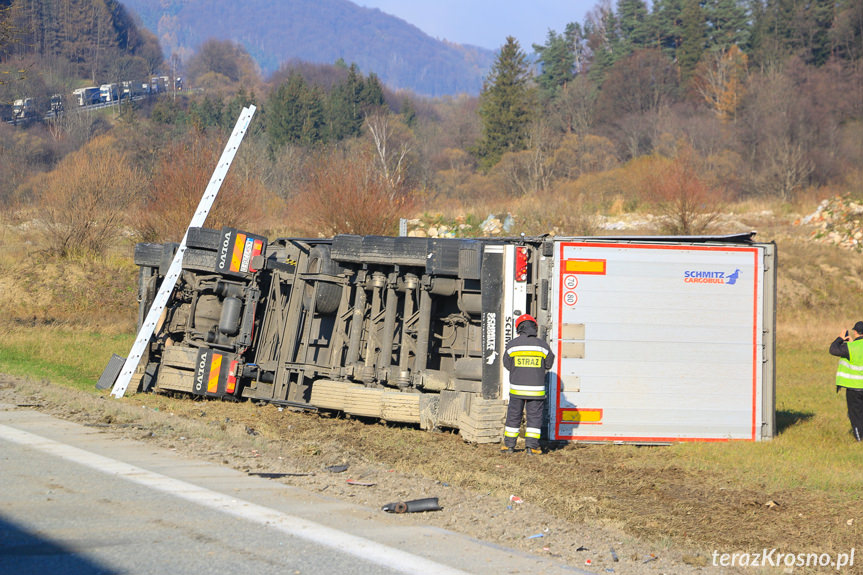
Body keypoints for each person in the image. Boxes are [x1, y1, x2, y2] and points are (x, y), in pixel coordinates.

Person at [501, 314, 555, 455]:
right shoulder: (542, 345)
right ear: (534, 327)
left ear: (519, 328)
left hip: (517, 389)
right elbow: (549, 364)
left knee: (513, 415)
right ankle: (532, 447)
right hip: (536, 390)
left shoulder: (512, 344)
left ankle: (509, 446)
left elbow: (507, 364)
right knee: (534, 418)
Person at [829, 321, 863, 442]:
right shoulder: (853, 346)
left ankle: (860, 440)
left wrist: (840, 338)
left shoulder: (850, 347)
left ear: (855, 332)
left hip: (854, 388)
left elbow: (833, 350)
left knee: (855, 416)